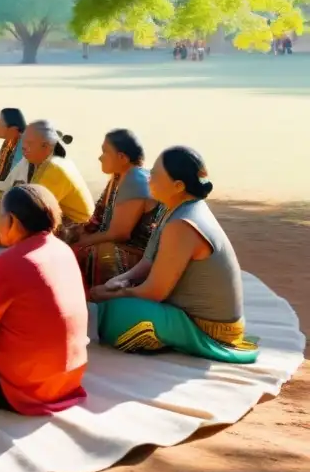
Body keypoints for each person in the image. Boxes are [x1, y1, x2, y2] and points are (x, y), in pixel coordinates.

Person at [91, 147, 259, 364]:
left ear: (178, 186)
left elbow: (154, 292)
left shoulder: (183, 224)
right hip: (182, 313)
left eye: (156, 175)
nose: (149, 179)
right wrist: (121, 280)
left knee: (119, 316)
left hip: (206, 327)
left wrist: (109, 295)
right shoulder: (173, 208)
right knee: (109, 302)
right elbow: (147, 262)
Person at [0, 185, 88, 414]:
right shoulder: (63, 250)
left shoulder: (15, 262)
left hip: (29, 388)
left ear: (11, 220)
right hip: (68, 378)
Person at [0, 120, 94, 245]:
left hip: (72, 226)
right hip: (49, 213)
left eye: (29, 143)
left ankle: (4, 238)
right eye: (23, 142)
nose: (23, 147)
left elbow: (36, 212)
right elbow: (14, 188)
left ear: (45, 146)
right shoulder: (39, 161)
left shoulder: (55, 168)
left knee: (9, 215)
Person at [68, 130, 163, 289]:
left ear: (122, 158)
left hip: (139, 257)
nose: (100, 157)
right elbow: (99, 221)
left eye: (105, 152)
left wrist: (82, 242)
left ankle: (99, 301)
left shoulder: (134, 179)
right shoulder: (120, 177)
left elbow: (119, 234)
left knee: (85, 253)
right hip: (124, 248)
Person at [0, 108, 26, 182]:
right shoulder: (8, 143)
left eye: (0, 121)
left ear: (13, 129)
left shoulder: (23, 144)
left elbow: (13, 179)